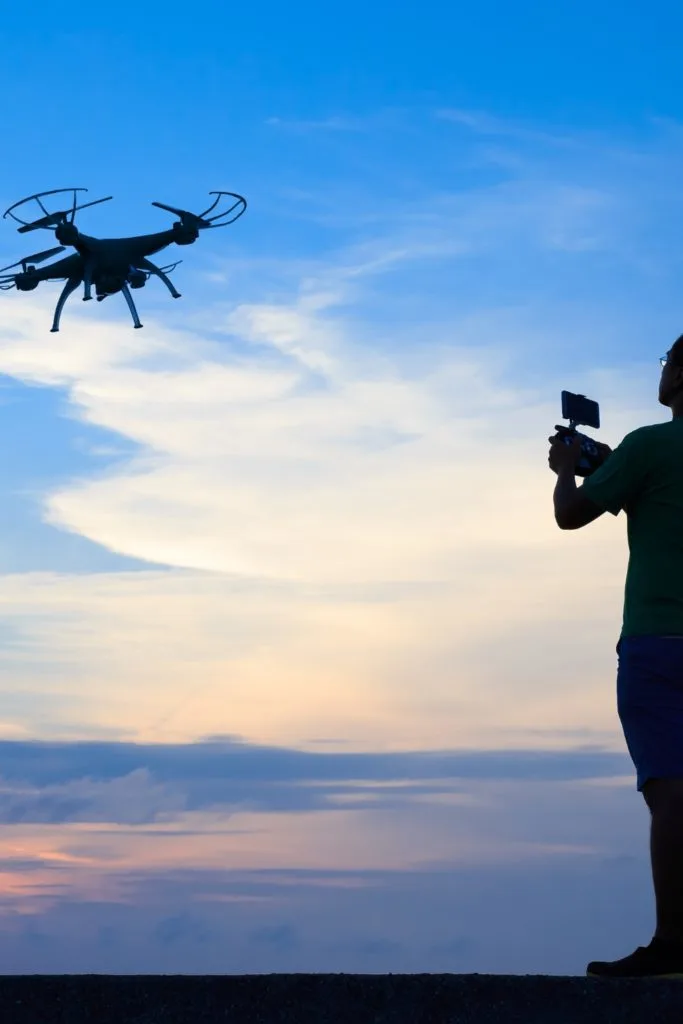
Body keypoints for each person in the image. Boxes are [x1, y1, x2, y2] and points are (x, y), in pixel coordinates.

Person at [548, 336, 683, 979]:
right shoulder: (643, 457)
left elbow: (572, 515)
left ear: (681, 377)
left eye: (667, 364)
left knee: (672, 793)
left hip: (660, 642)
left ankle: (675, 944)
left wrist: (569, 470)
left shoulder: (649, 447)